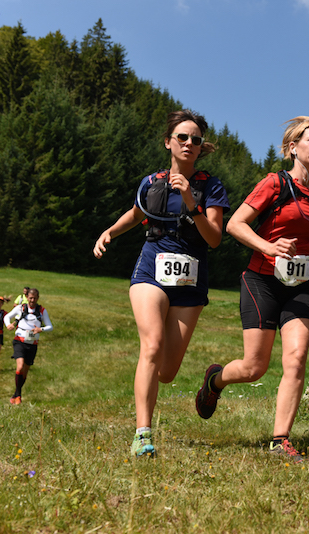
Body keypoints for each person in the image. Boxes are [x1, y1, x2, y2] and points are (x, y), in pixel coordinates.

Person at [195, 116, 309, 461]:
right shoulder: (274, 184)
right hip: (261, 280)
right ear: (293, 148)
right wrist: (268, 247)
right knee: (254, 368)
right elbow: (235, 225)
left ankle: (279, 439)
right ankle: (215, 380)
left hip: (300, 285)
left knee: (297, 358)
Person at [93, 109, 230, 458]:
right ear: (168, 142)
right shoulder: (150, 182)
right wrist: (110, 231)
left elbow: (214, 238)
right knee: (151, 346)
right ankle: (142, 434)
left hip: (190, 280)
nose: (188, 143)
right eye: (182, 137)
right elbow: (137, 213)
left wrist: (190, 201)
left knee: (167, 373)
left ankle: (210, 380)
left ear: (201, 148)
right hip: (151, 270)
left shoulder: (210, 187)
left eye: (195, 140)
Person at [4, 288, 53, 405]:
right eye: (30, 298)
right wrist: (8, 325)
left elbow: (50, 326)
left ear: (38, 298)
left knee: (25, 371)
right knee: (20, 366)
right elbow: (7, 317)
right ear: (27, 298)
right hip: (19, 340)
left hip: (32, 344)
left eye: (35, 298)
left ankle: (16, 393)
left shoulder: (41, 310)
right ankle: (19, 395)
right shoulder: (20, 308)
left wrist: (40, 329)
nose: (32, 300)